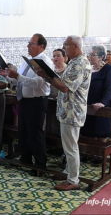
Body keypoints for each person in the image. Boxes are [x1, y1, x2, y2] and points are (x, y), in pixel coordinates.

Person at [35, 35, 91, 191]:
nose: (64, 47)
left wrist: (46, 76)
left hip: (73, 111)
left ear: (75, 46)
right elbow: (63, 83)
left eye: (66, 45)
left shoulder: (80, 64)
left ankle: (73, 180)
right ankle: (68, 172)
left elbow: (65, 87)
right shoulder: (73, 62)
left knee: (71, 147)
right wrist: (48, 77)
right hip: (67, 110)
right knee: (68, 145)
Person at [0, 33, 53, 175]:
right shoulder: (27, 60)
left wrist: (17, 76)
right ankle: (26, 159)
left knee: (35, 133)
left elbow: (38, 83)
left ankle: (40, 165)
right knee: (24, 132)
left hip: (37, 101)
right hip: (24, 100)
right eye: (28, 43)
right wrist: (10, 77)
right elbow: (20, 81)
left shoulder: (45, 61)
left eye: (31, 44)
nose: (28, 46)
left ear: (41, 46)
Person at [80, 45, 111, 142]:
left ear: (100, 57)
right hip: (89, 103)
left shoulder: (108, 69)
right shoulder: (89, 69)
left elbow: (108, 88)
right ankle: (88, 154)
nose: (89, 57)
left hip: (101, 104)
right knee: (86, 132)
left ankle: (99, 155)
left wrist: (102, 102)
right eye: (89, 55)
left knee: (101, 133)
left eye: (92, 55)